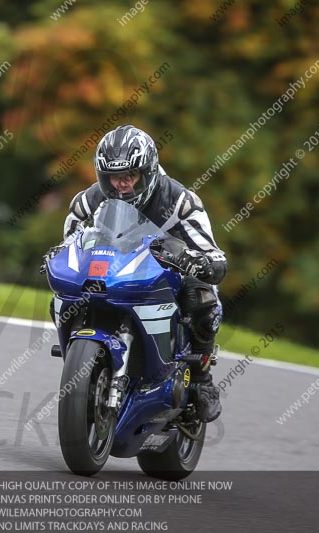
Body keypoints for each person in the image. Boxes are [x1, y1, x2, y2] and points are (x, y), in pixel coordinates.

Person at [60, 124, 227, 422]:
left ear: (147, 173)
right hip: (113, 271)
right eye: (113, 177)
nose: (120, 185)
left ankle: (202, 380)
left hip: (166, 276)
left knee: (202, 297)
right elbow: (71, 243)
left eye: (129, 176)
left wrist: (193, 260)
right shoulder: (87, 202)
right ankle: (75, 352)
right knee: (62, 297)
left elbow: (215, 258)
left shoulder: (181, 202)